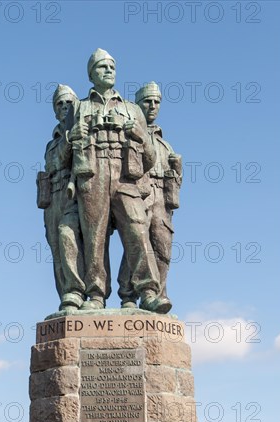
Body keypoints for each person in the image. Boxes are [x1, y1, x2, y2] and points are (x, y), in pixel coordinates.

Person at [66, 49, 170, 313]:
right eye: (101, 67)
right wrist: (73, 137)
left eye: (112, 66)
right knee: (94, 237)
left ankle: (147, 291)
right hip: (92, 174)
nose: (108, 70)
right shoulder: (79, 107)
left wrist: (138, 133)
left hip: (125, 176)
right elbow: (63, 155)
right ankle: (96, 295)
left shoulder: (132, 109)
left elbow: (150, 156)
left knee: (137, 229)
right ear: (91, 74)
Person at [118, 82, 182, 311]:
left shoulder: (165, 145)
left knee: (162, 248)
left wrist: (177, 172)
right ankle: (128, 294)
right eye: (148, 101)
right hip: (139, 192)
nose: (153, 106)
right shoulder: (129, 133)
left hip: (162, 200)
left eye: (157, 101)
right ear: (137, 104)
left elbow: (175, 182)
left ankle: (158, 296)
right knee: (136, 243)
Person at [38, 84, 86, 313]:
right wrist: (68, 141)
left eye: (69, 102)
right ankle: (67, 297)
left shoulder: (84, 130)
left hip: (75, 195)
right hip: (53, 199)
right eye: (60, 103)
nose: (65, 107)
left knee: (69, 238)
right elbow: (54, 163)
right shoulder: (53, 142)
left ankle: (78, 291)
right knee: (57, 250)